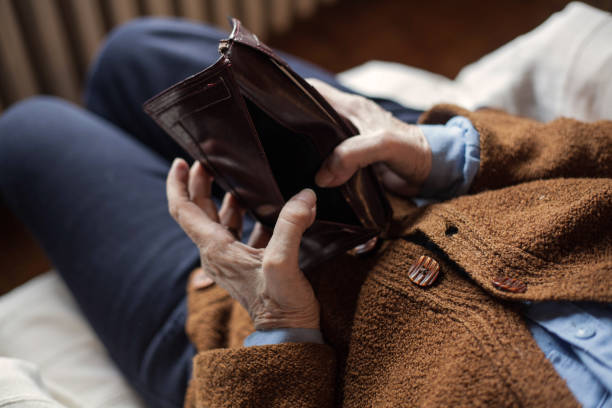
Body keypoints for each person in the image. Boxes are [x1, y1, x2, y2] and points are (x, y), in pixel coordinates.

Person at [0, 17, 610, 408]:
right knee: (131, 55)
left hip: (248, 332)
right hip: (429, 171)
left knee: (29, 133)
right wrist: (447, 153)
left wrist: (277, 322)